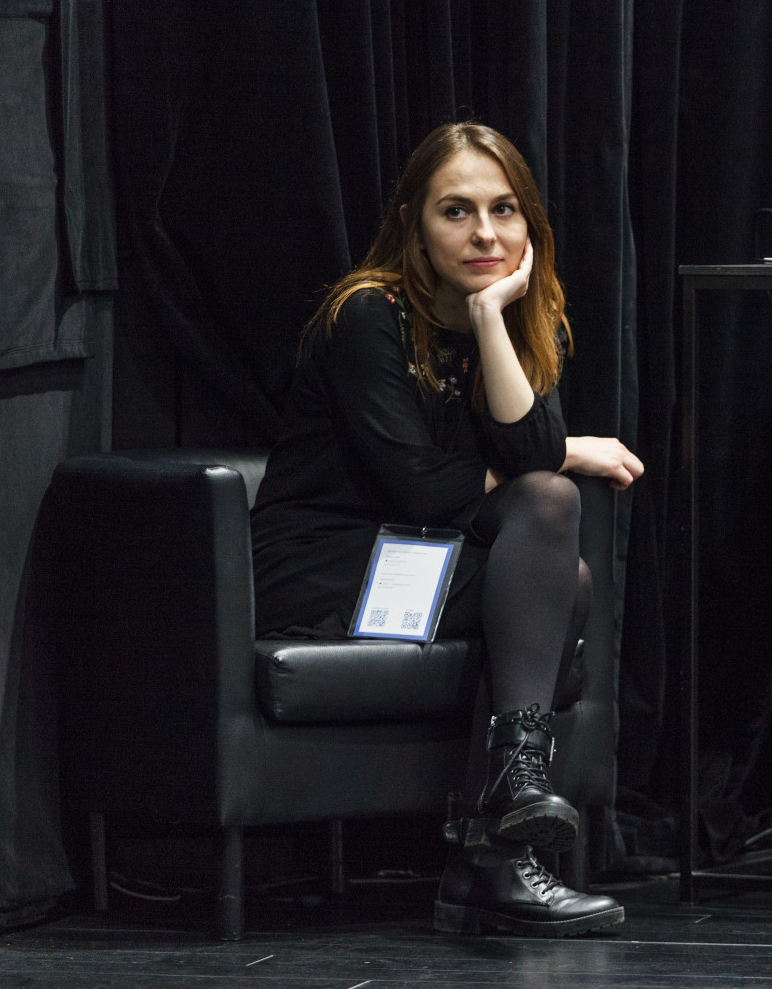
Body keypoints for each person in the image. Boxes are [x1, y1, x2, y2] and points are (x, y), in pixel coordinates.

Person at [249, 121, 643, 937]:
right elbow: (421, 490)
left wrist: (493, 317)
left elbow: (530, 465)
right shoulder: (367, 316)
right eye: (456, 211)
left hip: (424, 557)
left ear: (528, 222)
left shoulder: (523, 318)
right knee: (560, 580)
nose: (485, 233)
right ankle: (491, 863)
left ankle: (510, 795)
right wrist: (570, 449)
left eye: (504, 210)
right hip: (327, 562)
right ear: (414, 226)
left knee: (549, 510)